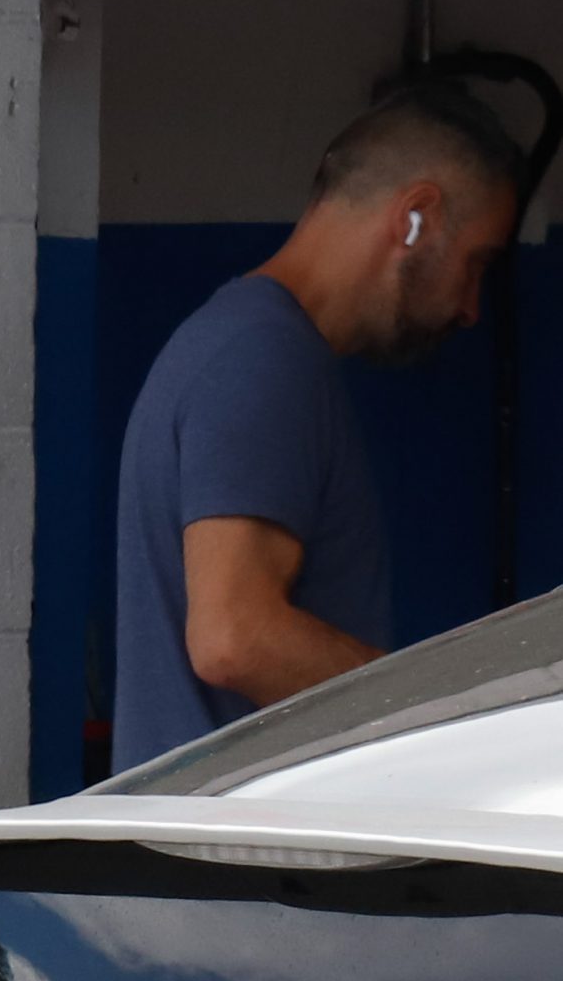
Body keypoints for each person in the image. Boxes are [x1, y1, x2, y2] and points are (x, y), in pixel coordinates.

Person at [110, 83, 524, 771]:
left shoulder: (247, 346)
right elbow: (235, 636)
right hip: (231, 869)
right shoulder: (259, 360)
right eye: (476, 262)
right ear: (416, 217)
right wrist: (441, 713)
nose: (472, 306)